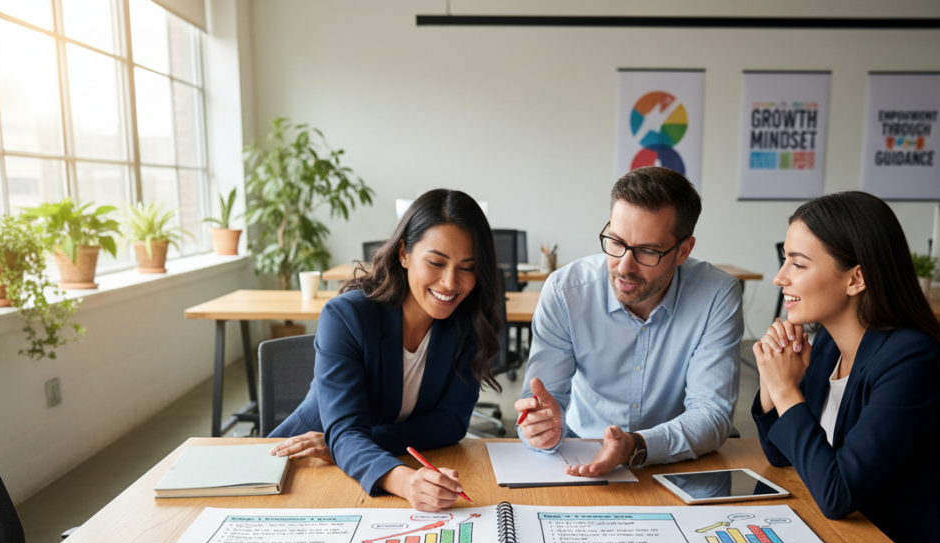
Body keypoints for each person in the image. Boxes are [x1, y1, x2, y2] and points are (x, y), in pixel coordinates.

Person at [752, 190, 940, 543]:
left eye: (797, 264)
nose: (780, 277)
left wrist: (786, 392)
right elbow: (782, 455)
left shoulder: (912, 360)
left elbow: (837, 495)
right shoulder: (831, 343)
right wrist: (776, 380)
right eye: (786, 261)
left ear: (856, 279)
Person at [268, 189, 501, 511]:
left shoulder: (469, 324)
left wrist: (345, 442)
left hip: (354, 457)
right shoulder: (347, 317)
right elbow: (346, 429)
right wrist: (405, 481)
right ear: (404, 253)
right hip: (302, 465)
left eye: (468, 267)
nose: (450, 283)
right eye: (436, 262)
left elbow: (451, 422)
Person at [515, 166, 743, 475]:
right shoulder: (565, 291)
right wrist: (542, 428)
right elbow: (541, 401)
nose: (624, 267)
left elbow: (712, 413)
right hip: (582, 451)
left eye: (648, 251)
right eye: (616, 242)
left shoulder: (716, 295)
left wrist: (634, 446)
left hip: (674, 461)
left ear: (683, 251)